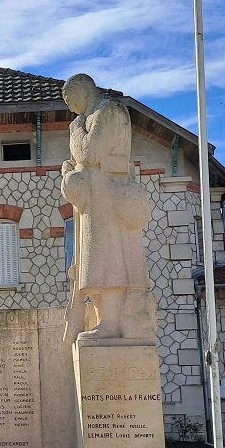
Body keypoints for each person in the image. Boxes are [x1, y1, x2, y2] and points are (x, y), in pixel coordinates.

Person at [61, 74, 153, 341]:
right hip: (95, 199)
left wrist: (77, 131)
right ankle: (105, 321)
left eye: (69, 99)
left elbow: (90, 154)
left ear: (81, 92)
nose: (69, 107)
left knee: (109, 262)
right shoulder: (88, 118)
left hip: (110, 199)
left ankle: (112, 325)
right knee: (94, 264)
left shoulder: (108, 111)